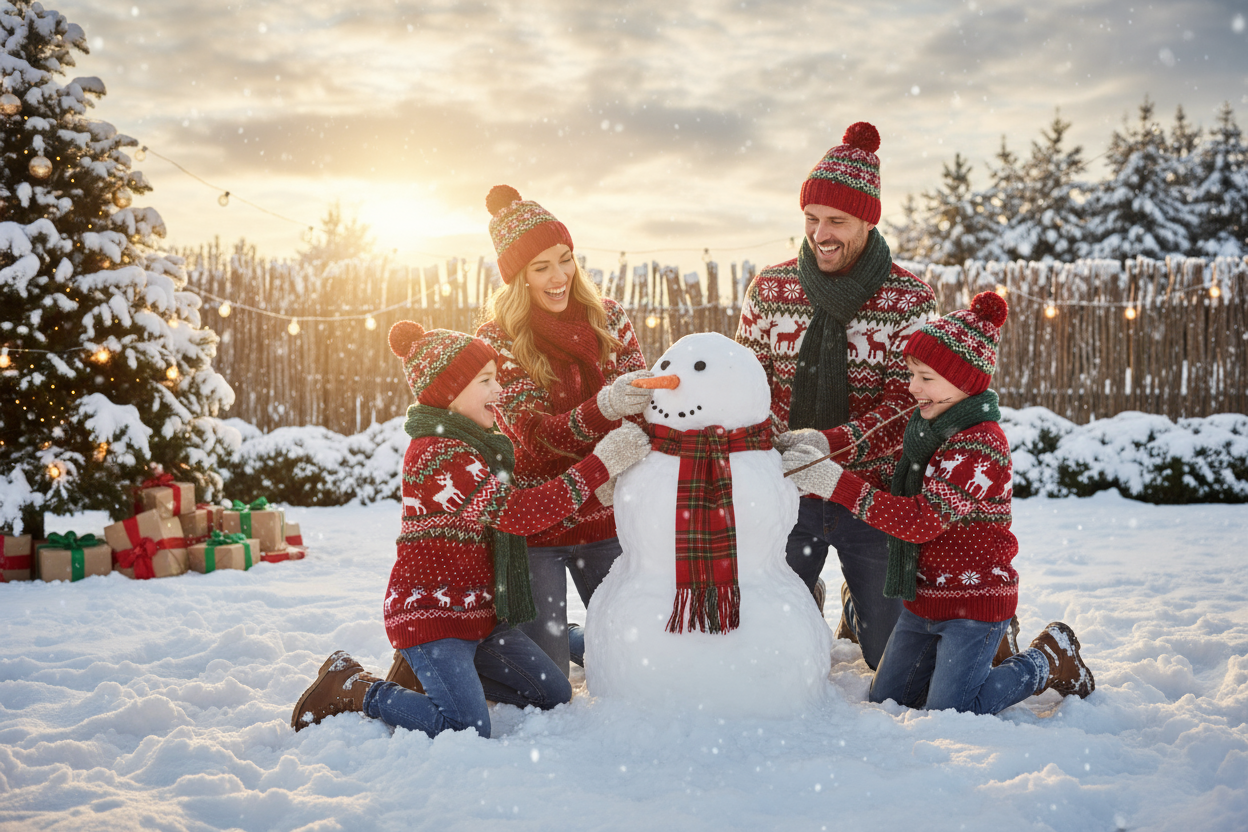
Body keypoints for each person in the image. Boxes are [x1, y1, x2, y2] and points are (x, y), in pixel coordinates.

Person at [290, 322, 650, 737]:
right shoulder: (438, 453)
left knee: (552, 692)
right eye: (486, 380)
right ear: (449, 390)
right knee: (465, 725)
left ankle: (444, 676)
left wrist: (597, 489)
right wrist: (599, 464)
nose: (499, 390)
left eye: (497, 378)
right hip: (434, 616)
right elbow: (520, 513)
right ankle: (354, 687)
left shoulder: (479, 445)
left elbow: (530, 500)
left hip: (480, 617)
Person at [783, 292, 1094, 714]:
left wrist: (837, 484)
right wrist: (823, 443)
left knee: (956, 708)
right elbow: (879, 436)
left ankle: (1048, 658)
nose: (913, 387)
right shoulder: (926, 425)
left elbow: (923, 521)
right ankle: (866, 612)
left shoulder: (979, 446)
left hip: (974, 598)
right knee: (888, 698)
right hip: (923, 595)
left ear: (964, 383)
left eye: (925, 377)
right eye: (912, 374)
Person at [735, 121, 937, 670]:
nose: (820, 233)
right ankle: (804, 597)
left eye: (837, 221)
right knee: (771, 649)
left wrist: (827, 446)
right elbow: (745, 384)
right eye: (811, 219)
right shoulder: (771, 290)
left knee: (892, 660)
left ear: (868, 221)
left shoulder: (908, 299)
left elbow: (910, 403)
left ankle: (861, 605)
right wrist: (778, 446)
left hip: (869, 495)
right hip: (785, 491)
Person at [474, 185, 651, 678]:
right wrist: (605, 407)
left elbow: (642, 410)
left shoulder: (609, 318)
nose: (559, 277)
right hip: (539, 523)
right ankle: (538, 637)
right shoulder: (496, 341)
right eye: (541, 267)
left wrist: (629, 420)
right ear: (517, 278)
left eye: (565, 259)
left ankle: (584, 634)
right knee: (548, 680)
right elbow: (534, 434)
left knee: (635, 662)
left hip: (607, 512)